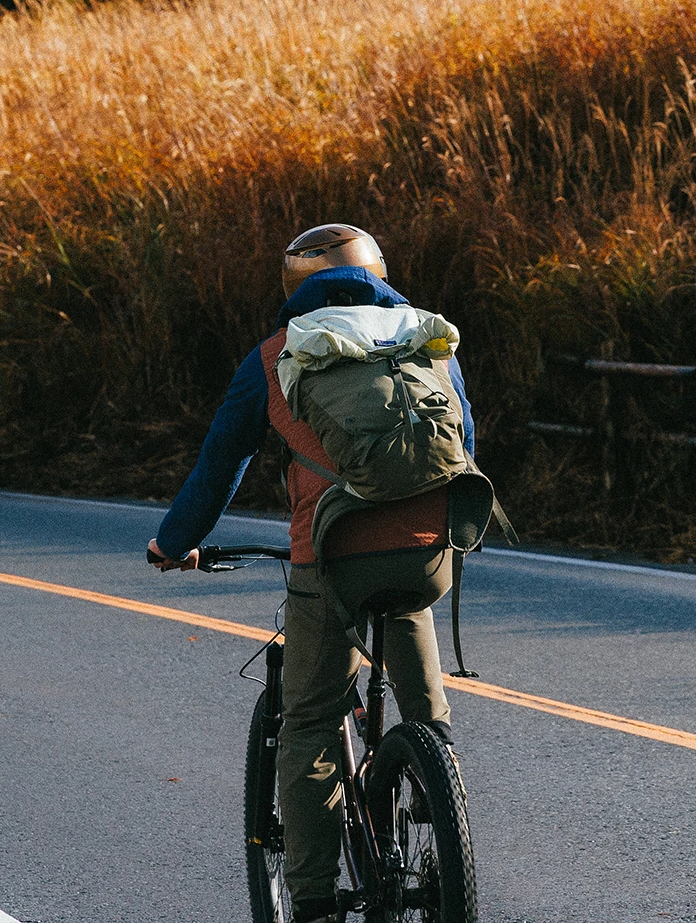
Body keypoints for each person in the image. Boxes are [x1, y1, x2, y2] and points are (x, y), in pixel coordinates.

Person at [148, 223, 471, 923]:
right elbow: (462, 444)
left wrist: (175, 540)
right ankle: (434, 773)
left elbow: (219, 466)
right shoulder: (429, 337)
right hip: (429, 554)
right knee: (418, 673)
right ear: (380, 271)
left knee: (309, 721)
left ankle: (317, 903)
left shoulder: (273, 357)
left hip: (330, 562)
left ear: (295, 289)